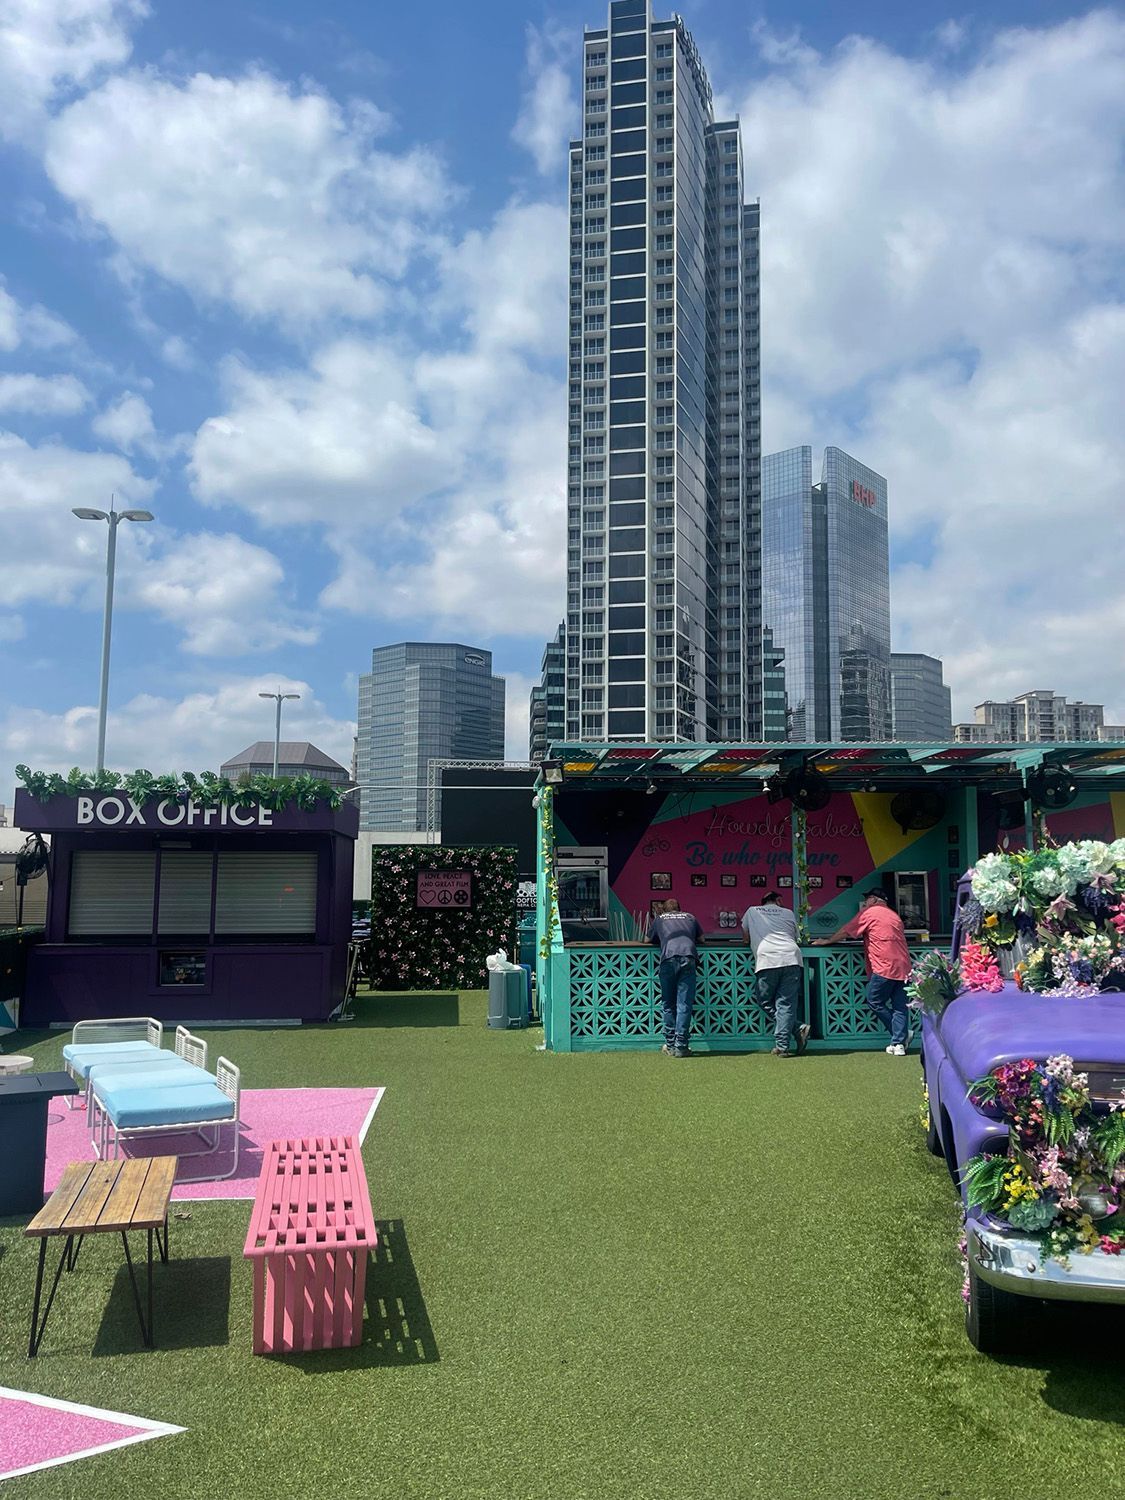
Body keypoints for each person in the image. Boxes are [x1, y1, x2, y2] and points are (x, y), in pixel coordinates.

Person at [814, 889, 913, 1055]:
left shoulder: (870, 913)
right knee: (900, 1007)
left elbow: (847, 931)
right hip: (904, 967)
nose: (865, 903)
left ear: (874, 900)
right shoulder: (894, 915)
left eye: (867, 899)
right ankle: (899, 1043)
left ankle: (900, 1036)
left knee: (874, 1001)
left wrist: (827, 941)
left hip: (884, 966)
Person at [742, 892, 809, 1057]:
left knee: (764, 1001)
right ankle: (788, 1038)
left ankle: (790, 1036)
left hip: (767, 959)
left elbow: (745, 938)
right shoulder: (788, 913)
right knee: (785, 1004)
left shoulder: (751, 911)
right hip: (791, 957)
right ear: (778, 900)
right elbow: (795, 937)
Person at [650, 897, 702, 1058]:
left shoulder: (660, 919)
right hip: (688, 958)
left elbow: (647, 939)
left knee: (668, 1003)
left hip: (668, 959)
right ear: (679, 909)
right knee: (684, 1003)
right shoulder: (690, 917)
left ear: (664, 910)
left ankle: (670, 1044)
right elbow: (702, 939)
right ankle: (681, 1046)